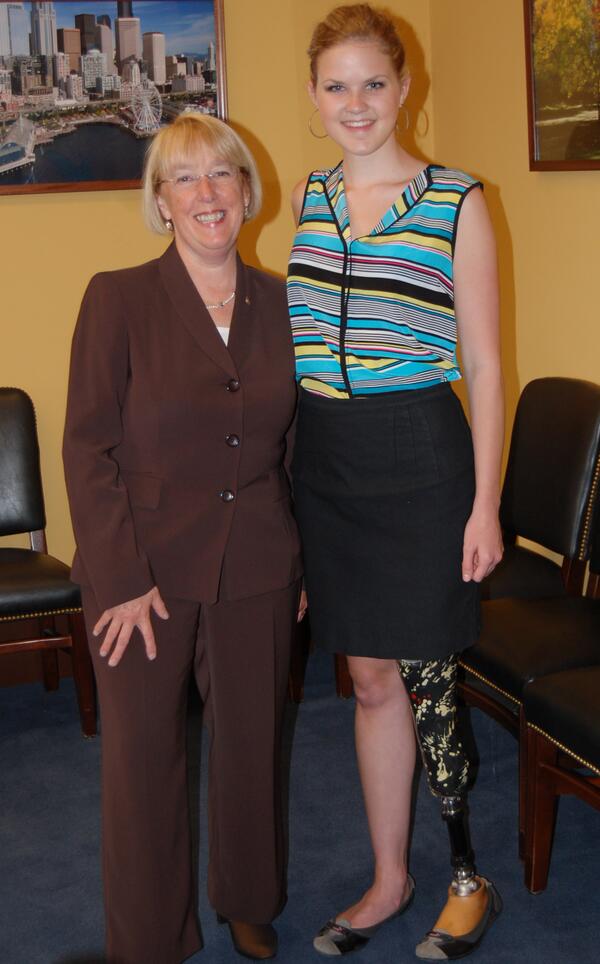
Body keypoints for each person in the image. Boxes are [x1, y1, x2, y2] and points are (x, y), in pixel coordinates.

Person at [287, 4, 504, 960]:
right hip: (328, 464)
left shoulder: (458, 200)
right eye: (337, 85)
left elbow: (485, 366)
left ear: (405, 87)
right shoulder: (312, 196)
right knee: (371, 679)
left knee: (428, 676)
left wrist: (485, 504)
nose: (356, 102)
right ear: (313, 96)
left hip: (420, 460)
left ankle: (466, 877)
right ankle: (390, 877)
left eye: (373, 82)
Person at [63, 113, 305, 964]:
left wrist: (303, 562)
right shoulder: (118, 298)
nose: (207, 193)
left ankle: (248, 899)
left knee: (251, 748)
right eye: (185, 178)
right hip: (144, 571)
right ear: (161, 201)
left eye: (222, 174)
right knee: (142, 765)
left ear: (247, 190)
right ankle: (149, 938)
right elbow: (87, 449)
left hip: (260, 562)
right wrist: (122, 576)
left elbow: (299, 445)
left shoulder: (284, 302)